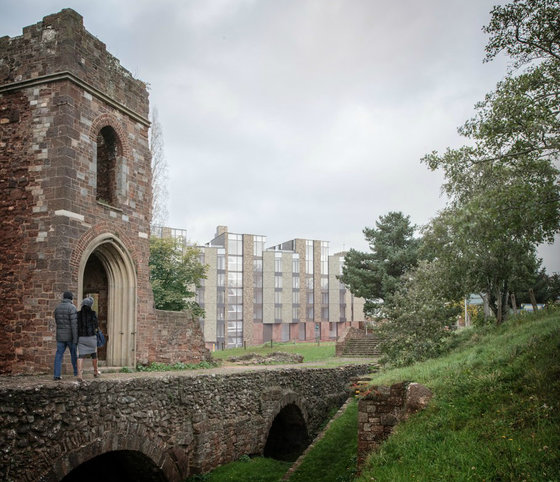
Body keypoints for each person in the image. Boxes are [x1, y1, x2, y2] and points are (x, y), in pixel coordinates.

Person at [53, 291, 78, 380]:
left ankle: (56, 375)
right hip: (70, 336)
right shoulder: (72, 308)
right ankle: (76, 373)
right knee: (74, 355)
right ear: (71, 298)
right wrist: (75, 338)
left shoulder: (57, 308)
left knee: (58, 355)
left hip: (60, 336)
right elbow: (74, 325)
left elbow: (57, 322)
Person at [76, 296, 100, 381]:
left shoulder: (78, 314)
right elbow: (96, 325)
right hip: (91, 337)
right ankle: (96, 371)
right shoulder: (93, 313)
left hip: (81, 337)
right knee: (94, 354)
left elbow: (76, 326)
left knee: (81, 355)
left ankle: (79, 374)